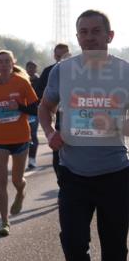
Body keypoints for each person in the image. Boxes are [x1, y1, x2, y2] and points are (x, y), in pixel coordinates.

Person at [39, 10, 128, 261]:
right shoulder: (63, 71)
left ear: (109, 36)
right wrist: (50, 134)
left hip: (115, 174)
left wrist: (111, 123)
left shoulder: (124, 72)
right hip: (74, 173)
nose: (89, 37)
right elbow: (45, 108)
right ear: (77, 38)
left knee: (115, 253)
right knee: (73, 241)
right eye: (84, 32)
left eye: (96, 31)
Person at [0, 50, 38, 237]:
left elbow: (35, 108)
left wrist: (19, 107)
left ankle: (21, 191)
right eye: (1, 61)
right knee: (1, 180)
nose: (4, 64)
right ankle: (4, 222)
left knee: (16, 180)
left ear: (13, 63)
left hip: (20, 137)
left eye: (7, 61)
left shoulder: (22, 83)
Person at [35, 43, 72, 183]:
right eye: (58, 56)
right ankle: (62, 184)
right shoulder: (50, 71)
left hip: (78, 120)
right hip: (58, 118)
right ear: (54, 56)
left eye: (64, 55)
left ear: (69, 54)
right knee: (58, 156)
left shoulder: (78, 69)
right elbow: (39, 93)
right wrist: (51, 96)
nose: (61, 58)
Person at [25, 61, 41, 168]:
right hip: (22, 112)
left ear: (36, 69)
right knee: (24, 135)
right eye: (29, 67)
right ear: (26, 69)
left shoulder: (39, 81)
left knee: (33, 134)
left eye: (33, 68)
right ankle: (21, 158)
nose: (31, 70)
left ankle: (32, 159)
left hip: (34, 112)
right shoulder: (22, 80)